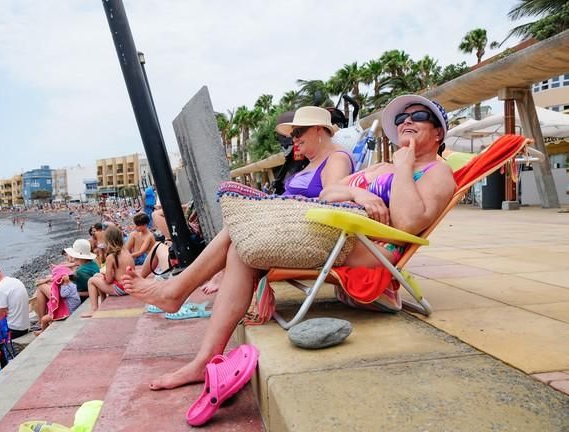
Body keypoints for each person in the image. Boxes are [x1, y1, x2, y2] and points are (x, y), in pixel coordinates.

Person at [121, 95, 455, 390]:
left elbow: (410, 222)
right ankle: (200, 351)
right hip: (342, 233)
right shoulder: (386, 165)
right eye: (401, 117)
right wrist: (357, 192)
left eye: (419, 116)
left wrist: (405, 166)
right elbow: (330, 192)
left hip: (371, 247)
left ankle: (176, 296)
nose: (407, 121)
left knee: (242, 235)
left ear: (438, 132)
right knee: (242, 243)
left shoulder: (435, 172)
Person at [83, 225, 134, 316]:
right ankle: (102, 303)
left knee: (91, 280)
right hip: (130, 285)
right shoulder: (126, 251)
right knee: (97, 276)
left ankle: (94, 309)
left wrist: (104, 276)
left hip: (121, 288)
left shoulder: (111, 256)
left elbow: (109, 280)